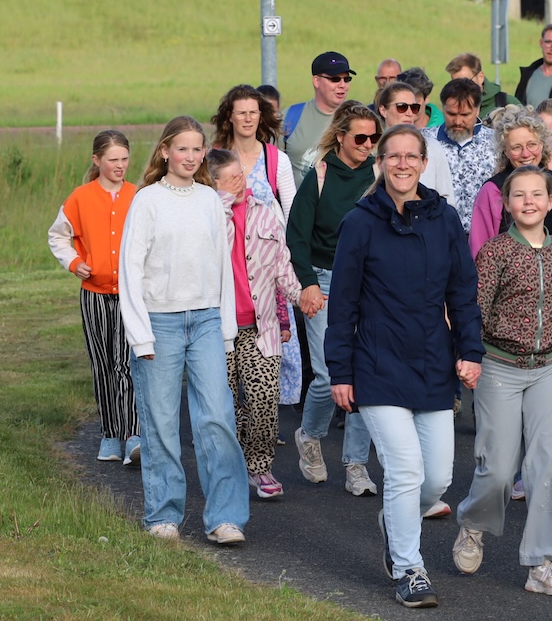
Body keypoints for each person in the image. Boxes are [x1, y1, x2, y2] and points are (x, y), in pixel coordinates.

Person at [326, 124, 484, 608]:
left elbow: (462, 293)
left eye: (410, 156)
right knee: (404, 471)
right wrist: (340, 372)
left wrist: (470, 350)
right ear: (381, 163)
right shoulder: (360, 222)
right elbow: (343, 303)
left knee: (436, 480)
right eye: (391, 156)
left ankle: (396, 525)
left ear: (423, 162)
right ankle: (410, 568)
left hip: (433, 363)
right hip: (376, 364)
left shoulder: (445, 218)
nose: (401, 164)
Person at [453, 165, 552, 597]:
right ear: (507, 204)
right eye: (519, 195)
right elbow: (475, 308)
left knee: (550, 466)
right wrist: (469, 358)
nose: (529, 201)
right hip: (499, 367)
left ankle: (543, 565)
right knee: (497, 466)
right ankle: (473, 524)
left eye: (537, 194)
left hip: (548, 367)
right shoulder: (495, 252)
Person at [119, 116, 249, 545]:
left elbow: (223, 269)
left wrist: (227, 332)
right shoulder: (147, 201)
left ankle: (225, 518)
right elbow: (129, 271)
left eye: (198, 150)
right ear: (164, 152)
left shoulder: (212, 201)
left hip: (208, 320)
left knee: (217, 418)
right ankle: (163, 514)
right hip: (160, 322)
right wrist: (141, 335)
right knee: (161, 423)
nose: (191, 157)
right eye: (183, 149)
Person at [468, 104, 552, 497]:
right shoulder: (493, 191)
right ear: (505, 151)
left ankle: (550, 459)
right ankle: (514, 468)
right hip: (507, 314)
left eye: (532, 144)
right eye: (516, 147)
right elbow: (479, 249)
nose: (525, 153)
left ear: (544, 144)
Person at [286, 100, 382, 497]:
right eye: (359, 137)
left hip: (370, 285)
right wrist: (307, 282)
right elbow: (297, 235)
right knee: (328, 374)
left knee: (362, 374)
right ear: (340, 136)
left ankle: (356, 464)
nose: (367, 144)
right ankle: (310, 436)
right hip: (324, 281)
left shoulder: (380, 175)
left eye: (373, 138)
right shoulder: (320, 175)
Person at [206, 149, 303, 500]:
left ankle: (259, 466)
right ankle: (228, 469)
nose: (241, 184)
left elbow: (282, 265)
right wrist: (220, 204)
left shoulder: (265, 213)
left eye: (241, 176)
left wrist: (300, 297)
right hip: (217, 331)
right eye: (231, 179)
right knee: (225, 405)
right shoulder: (208, 215)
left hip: (261, 328)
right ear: (213, 183)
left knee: (264, 398)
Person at [48, 129, 140, 465]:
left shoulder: (138, 195)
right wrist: (74, 262)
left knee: (126, 364)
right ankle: (110, 436)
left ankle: (133, 434)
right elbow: (58, 236)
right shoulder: (80, 198)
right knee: (103, 364)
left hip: (131, 296)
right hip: (95, 296)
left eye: (125, 159)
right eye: (113, 160)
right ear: (96, 160)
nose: (120, 166)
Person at [211, 84, 297, 219]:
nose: (248, 119)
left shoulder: (278, 160)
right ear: (230, 116)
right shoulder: (214, 159)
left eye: (253, 112)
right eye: (241, 113)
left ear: (260, 116)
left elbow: (292, 216)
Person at [423, 78, 496, 234]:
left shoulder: (496, 143)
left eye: (465, 115)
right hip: (437, 234)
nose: (457, 121)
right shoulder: (424, 141)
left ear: (477, 110)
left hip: (483, 237)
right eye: (451, 114)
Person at [375, 81, 456, 206]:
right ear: (383, 110)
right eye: (402, 107)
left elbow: (447, 198)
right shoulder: (370, 147)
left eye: (414, 108)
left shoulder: (432, 147)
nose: (409, 113)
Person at [282, 51, 357, 185]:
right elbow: (272, 167)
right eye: (335, 79)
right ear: (316, 81)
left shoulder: (357, 119)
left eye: (347, 79)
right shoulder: (290, 117)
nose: (342, 85)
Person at [446, 52, 520, 121]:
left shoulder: (507, 103)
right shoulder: (452, 107)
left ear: (480, 77)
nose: (460, 88)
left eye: (466, 81)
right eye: (455, 83)